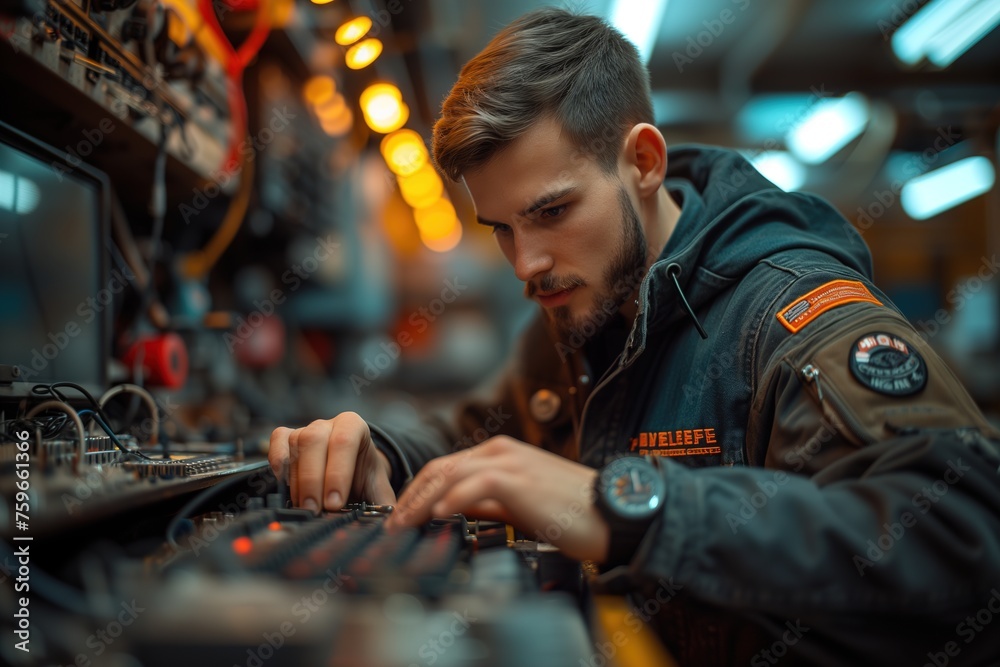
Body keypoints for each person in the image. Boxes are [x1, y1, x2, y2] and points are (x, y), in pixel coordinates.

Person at [269, 8, 1000, 664]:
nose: (526, 265)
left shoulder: (793, 320)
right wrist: (378, 449)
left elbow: (966, 541)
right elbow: (476, 447)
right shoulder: (574, 318)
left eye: (551, 212)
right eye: (502, 230)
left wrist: (629, 505)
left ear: (643, 162)